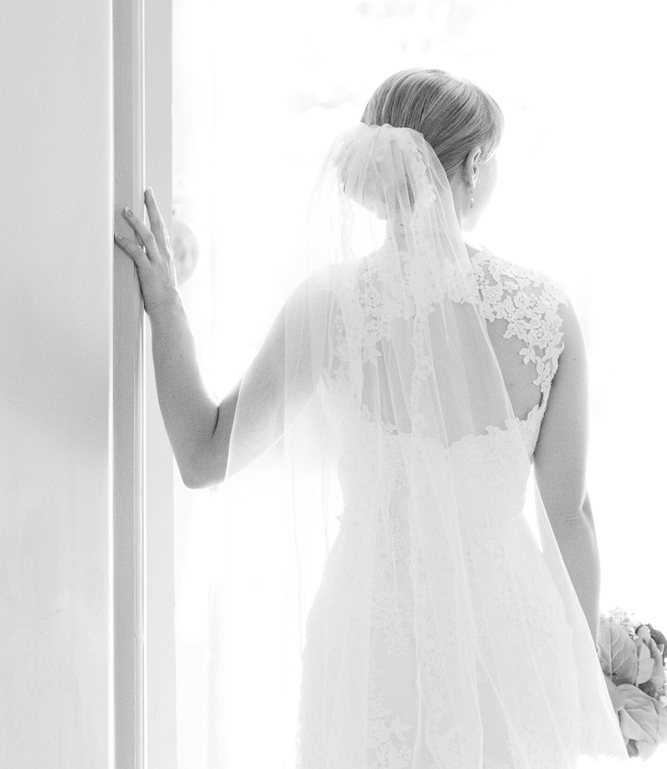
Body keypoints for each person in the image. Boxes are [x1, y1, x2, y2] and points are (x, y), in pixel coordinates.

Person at [115, 68, 628, 767]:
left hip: (374, 633)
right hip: (507, 631)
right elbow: (570, 517)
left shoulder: (330, 304)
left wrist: (164, 303)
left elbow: (204, 456)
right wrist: (583, 676)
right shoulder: (547, 313)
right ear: (474, 165)